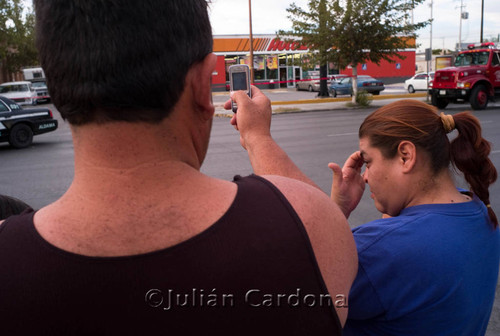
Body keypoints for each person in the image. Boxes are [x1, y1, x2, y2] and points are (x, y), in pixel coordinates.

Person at [0, 1, 357, 334]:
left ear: (55, 85)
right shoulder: (309, 223)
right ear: (204, 86)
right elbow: (319, 228)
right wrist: (259, 138)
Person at [228, 95, 500, 335]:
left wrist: (256, 136)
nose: (365, 176)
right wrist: (338, 209)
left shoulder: (383, 252)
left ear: (406, 156)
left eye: (368, 162)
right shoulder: (476, 208)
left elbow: (304, 240)